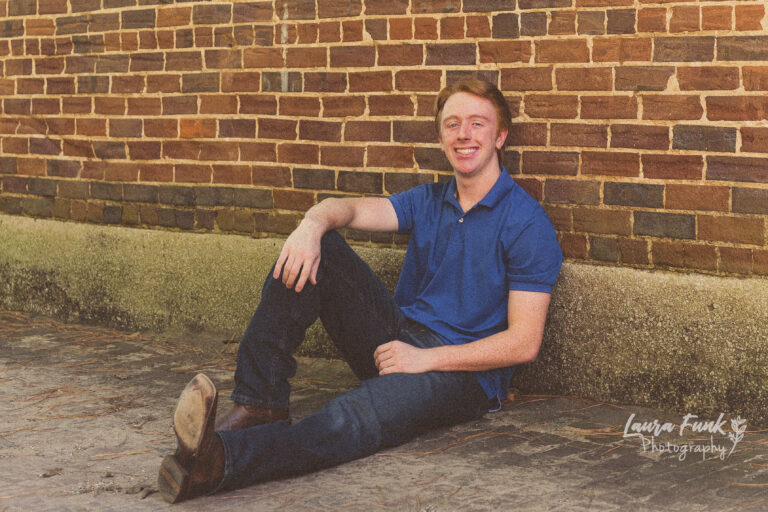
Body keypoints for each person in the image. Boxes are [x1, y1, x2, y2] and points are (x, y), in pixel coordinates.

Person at [157, 79, 562, 503]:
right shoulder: (429, 200)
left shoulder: (527, 224)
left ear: (500, 137)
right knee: (320, 249)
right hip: (400, 343)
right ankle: (261, 403)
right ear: (441, 137)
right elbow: (347, 208)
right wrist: (310, 226)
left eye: (478, 124)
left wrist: (425, 359)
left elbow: (524, 343)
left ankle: (220, 461)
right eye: (453, 124)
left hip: (462, 375)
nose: (464, 134)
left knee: (353, 416)